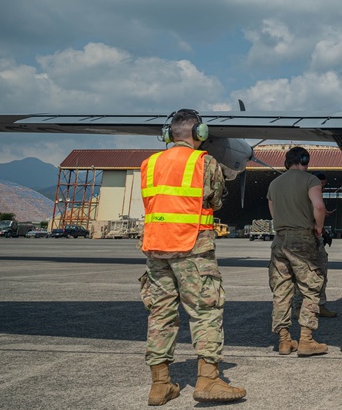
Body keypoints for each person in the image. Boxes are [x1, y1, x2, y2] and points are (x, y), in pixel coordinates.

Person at [139, 109, 245, 405]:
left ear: (168, 134)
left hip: (155, 248)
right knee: (205, 310)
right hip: (192, 247)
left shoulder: (149, 163)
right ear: (200, 133)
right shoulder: (205, 162)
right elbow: (216, 199)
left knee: (160, 314)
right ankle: (208, 380)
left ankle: (160, 386)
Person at [266, 147, 328, 357]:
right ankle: (306, 340)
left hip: (280, 239)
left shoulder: (274, 184)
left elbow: (273, 212)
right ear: (305, 160)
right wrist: (318, 227)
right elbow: (318, 206)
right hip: (302, 238)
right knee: (310, 287)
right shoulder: (311, 180)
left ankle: (284, 341)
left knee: (281, 290)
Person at [310, 170, 337, 318]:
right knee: (318, 272)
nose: (323, 189)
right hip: (311, 238)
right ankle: (317, 305)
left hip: (309, 237)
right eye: (322, 186)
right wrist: (320, 230)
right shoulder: (311, 194)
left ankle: (299, 307)